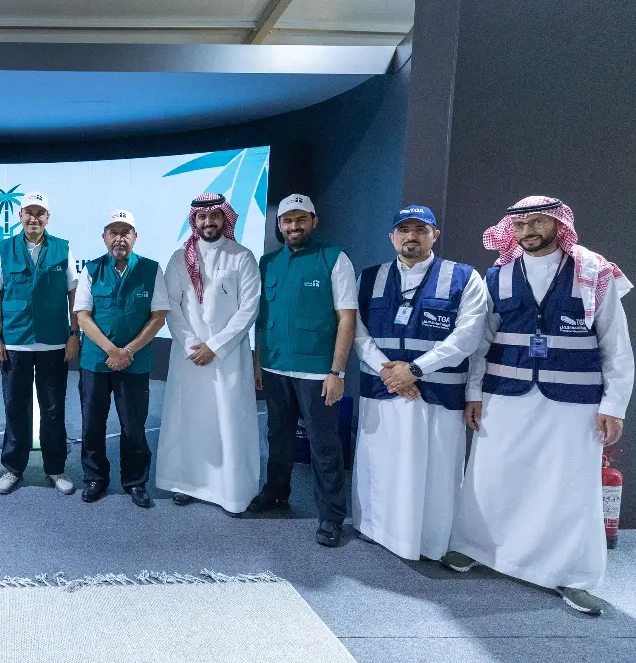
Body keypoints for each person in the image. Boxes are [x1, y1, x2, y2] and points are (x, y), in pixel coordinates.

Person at [444, 196, 633, 616]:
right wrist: (474, 393)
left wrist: (614, 404)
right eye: (519, 224)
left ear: (558, 225)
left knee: (569, 486)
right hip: (504, 393)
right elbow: (480, 342)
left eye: (536, 222)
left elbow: (616, 346)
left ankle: (573, 575)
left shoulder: (593, 272)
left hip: (574, 402)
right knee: (491, 475)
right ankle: (476, 547)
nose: (526, 231)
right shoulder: (498, 276)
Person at [351, 205, 487, 561]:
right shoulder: (369, 278)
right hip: (383, 391)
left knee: (436, 472)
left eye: (420, 230)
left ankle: (429, 542)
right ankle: (378, 530)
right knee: (381, 464)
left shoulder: (464, 277)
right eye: (404, 230)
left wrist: (414, 370)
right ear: (392, 237)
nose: (411, 236)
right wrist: (388, 372)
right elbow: (357, 332)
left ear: (434, 235)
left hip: (436, 395)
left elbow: (468, 337)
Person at [249, 193, 357, 547]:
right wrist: (258, 362)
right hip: (275, 366)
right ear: (279, 225)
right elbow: (262, 319)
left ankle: (331, 516)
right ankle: (276, 491)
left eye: (301, 219)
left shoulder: (334, 258)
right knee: (277, 435)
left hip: (317, 372)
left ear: (314, 221)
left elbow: (346, 319)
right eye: (287, 221)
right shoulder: (267, 263)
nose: (294, 226)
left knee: (323, 444)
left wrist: (337, 373)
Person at [156, 193, 261, 515]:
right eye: (202, 217)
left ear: (224, 218)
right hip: (189, 357)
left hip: (228, 357)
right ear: (195, 221)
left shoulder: (242, 256)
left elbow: (250, 308)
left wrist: (215, 346)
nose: (208, 222)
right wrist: (192, 344)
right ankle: (186, 483)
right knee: (187, 419)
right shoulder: (179, 258)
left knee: (229, 421)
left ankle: (231, 492)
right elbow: (171, 305)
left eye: (214, 216)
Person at [75, 209, 169, 508]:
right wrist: (111, 351)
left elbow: (158, 316)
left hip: (134, 361)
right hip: (95, 361)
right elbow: (83, 316)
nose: (119, 238)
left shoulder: (151, 269)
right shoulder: (91, 269)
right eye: (113, 232)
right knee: (92, 423)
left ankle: (135, 481)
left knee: (133, 425)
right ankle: (95, 478)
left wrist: (127, 351)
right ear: (104, 237)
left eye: (125, 232)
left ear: (135, 237)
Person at [0, 191, 79, 495]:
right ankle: (13, 468)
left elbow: (74, 293)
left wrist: (73, 334)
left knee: (53, 408)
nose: (34, 218)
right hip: (15, 342)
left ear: (47, 218)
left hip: (54, 342)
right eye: (29, 212)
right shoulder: (4, 249)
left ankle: (56, 469)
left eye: (40, 213)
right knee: (15, 407)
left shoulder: (63, 248)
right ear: (20, 216)